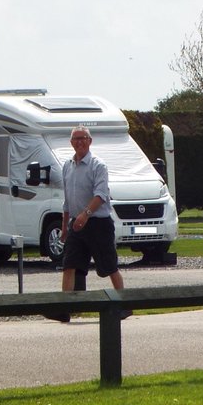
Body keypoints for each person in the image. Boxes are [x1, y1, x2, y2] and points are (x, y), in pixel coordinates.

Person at [52, 126, 126, 320]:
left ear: (90, 141)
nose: (79, 142)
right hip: (76, 225)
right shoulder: (67, 166)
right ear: (71, 143)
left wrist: (85, 214)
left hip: (98, 223)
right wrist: (65, 226)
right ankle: (65, 309)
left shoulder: (97, 165)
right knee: (69, 265)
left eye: (83, 138)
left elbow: (101, 195)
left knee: (109, 266)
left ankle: (124, 305)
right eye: (75, 139)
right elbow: (68, 200)